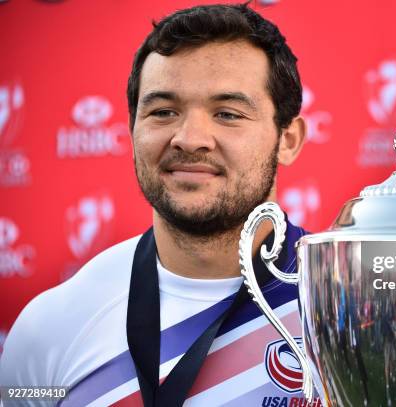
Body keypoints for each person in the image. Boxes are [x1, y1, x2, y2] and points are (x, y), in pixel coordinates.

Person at [0, 3, 313, 406]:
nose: (190, 138)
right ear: (132, 131)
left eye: (228, 114)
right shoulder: (51, 327)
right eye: (163, 112)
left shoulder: (353, 309)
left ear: (288, 140)